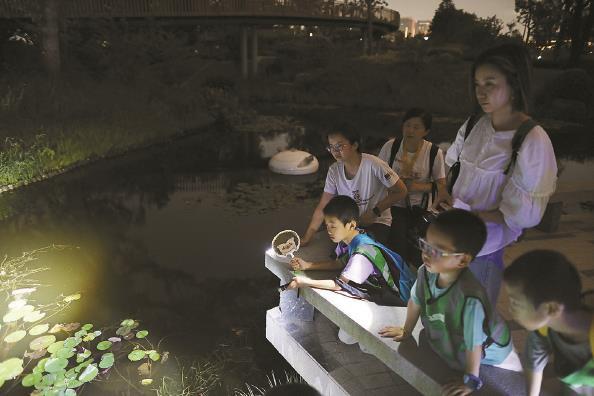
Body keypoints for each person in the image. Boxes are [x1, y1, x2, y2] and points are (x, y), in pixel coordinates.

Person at [437, 43, 557, 305]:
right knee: (446, 307)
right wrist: (444, 192)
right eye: (477, 84)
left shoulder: (532, 139)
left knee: (475, 317)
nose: (481, 92)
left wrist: (475, 216)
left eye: (490, 83)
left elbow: (522, 215)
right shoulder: (474, 124)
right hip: (451, 236)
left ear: (514, 83)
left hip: (484, 245)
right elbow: (453, 166)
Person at [379, 209, 522, 396]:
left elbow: (474, 345)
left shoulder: (470, 299)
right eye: (424, 244)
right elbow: (416, 300)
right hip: (460, 340)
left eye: (436, 250)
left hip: (493, 354)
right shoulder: (425, 272)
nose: (426, 254)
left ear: (462, 260)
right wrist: (406, 330)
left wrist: (470, 382)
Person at [288, 195, 414, 307]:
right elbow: (340, 263)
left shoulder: (362, 253)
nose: (329, 231)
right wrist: (308, 266)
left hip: (400, 299)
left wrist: (305, 282)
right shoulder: (351, 237)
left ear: (351, 225)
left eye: (333, 226)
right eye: (327, 226)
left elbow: (338, 285)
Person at [504, 250, 594, 396]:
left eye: (516, 303)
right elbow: (534, 364)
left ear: (551, 308)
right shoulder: (544, 328)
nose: (509, 309)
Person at [301, 125, 408, 247]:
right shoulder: (334, 170)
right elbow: (323, 206)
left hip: (377, 222)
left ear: (355, 145)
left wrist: (375, 211)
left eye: (340, 146)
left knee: (363, 253)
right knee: (340, 256)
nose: (335, 151)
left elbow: (401, 191)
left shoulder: (374, 164)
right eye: (331, 147)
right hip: (349, 224)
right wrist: (307, 236)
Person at [378, 108, 446, 267]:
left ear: (426, 131)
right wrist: (396, 184)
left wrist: (416, 186)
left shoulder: (434, 152)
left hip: (420, 209)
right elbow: (377, 174)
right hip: (393, 205)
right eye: (407, 125)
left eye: (416, 127)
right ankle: (400, 280)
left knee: (418, 253)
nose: (410, 130)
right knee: (398, 248)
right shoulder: (391, 146)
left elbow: (441, 187)